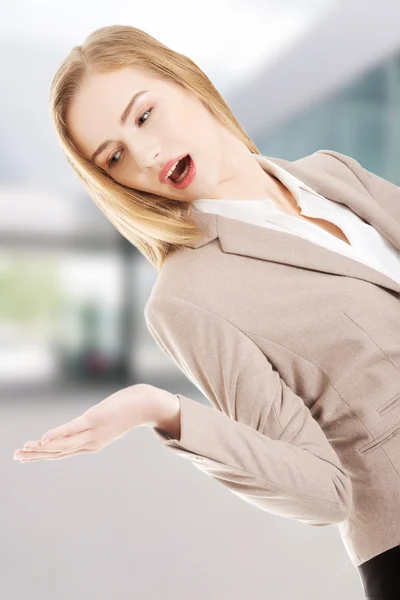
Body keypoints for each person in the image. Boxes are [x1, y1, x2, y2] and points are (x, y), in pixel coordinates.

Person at [19, 24, 400, 598]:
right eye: (115, 156)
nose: (145, 154)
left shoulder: (334, 174)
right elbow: (323, 494)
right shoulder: (188, 298)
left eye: (143, 116)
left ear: (187, 83)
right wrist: (166, 412)